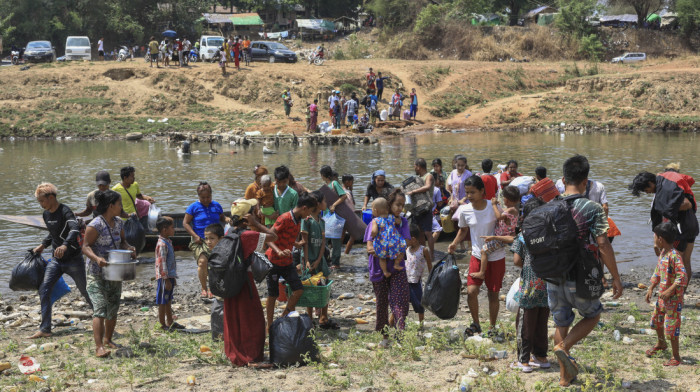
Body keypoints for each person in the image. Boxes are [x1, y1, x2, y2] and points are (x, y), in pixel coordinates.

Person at [548, 155, 623, 387]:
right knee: (592, 314)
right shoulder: (592, 208)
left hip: (552, 274)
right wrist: (616, 278)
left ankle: (564, 378)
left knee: (561, 323)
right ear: (586, 181)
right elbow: (603, 244)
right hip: (579, 275)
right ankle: (564, 347)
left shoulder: (550, 206)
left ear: (563, 179)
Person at [29, 183, 93, 339]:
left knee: (85, 290)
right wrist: (43, 245)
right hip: (56, 261)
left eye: (42, 201)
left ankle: (102, 317)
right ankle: (45, 329)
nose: (41, 204)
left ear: (51, 198)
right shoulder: (46, 215)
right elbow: (53, 234)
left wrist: (65, 245)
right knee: (44, 289)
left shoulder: (65, 211)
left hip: (73, 259)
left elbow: (74, 229)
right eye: (39, 202)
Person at [448, 175, 505, 338]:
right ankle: (476, 323)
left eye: (473, 192)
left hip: (496, 256)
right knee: (471, 292)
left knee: (493, 294)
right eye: (467, 193)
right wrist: (454, 243)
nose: (470, 196)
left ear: (482, 191)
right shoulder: (465, 210)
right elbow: (463, 230)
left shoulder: (493, 207)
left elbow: (504, 225)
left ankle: (492, 327)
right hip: (476, 256)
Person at [223, 199, 278, 367]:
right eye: (255, 211)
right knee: (252, 319)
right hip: (244, 282)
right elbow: (274, 236)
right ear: (247, 217)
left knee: (234, 318)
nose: (258, 212)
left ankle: (236, 353)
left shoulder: (229, 232)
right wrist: (257, 224)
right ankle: (251, 356)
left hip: (230, 281)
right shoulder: (248, 235)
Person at [82, 190, 136, 358]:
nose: (121, 207)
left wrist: (129, 248)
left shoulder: (119, 223)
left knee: (113, 307)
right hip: (96, 272)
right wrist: (97, 258)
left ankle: (108, 339)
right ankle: (98, 347)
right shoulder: (96, 224)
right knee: (99, 308)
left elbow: (123, 242)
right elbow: (84, 246)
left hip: (114, 272)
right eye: (120, 204)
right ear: (111, 206)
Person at [629, 170, 697, 279]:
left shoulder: (667, 189)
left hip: (681, 228)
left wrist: (667, 209)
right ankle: (681, 293)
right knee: (685, 261)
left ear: (651, 183)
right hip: (691, 224)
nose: (646, 192)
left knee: (674, 262)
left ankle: (673, 292)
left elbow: (687, 204)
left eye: (645, 190)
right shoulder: (663, 183)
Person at [265, 192, 317, 332]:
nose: (309, 215)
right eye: (310, 212)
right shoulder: (284, 218)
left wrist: (295, 243)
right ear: (304, 208)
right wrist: (279, 251)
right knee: (273, 295)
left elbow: (283, 236)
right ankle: (269, 326)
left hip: (287, 261)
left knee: (298, 290)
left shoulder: (298, 220)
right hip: (273, 261)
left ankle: (282, 317)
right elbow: (269, 237)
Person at [364, 189, 411, 344]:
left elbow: (407, 242)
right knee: (382, 303)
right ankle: (384, 336)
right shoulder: (374, 222)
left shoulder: (402, 222)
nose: (400, 209)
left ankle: (400, 334)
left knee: (400, 301)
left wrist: (390, 249)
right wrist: (378, 249)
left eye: (402, 206)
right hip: (379, 268)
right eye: (397, 204)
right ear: (388, 204)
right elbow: (369, 245)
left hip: (397, 267)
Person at [509, 197, 550, 373]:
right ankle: (541, 356)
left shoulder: (523, 235)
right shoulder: (550, 234)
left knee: (525, 322)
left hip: (530, 285)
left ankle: (523, 360)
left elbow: (517, 260)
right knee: (542, 321)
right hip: (547, 285)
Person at [644, 221, 688, 367]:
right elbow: (658, 272)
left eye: (655, 236)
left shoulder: (675, 256)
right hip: (662, 297)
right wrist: (651, 287)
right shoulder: (663, 253)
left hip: (673, 299)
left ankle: (676, 356)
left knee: (671, 326)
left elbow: (682, 276)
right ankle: (661, 344)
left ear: (661, 239)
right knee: (657, 321)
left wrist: (670, 290)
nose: (654, 239)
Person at [183, 182, 228, 299]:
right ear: (198, 196)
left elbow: (222, 218)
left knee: (215, 264)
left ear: (211, 195)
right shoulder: (193, 207)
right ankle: (204, 287)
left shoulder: (216, 206)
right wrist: (194, 236)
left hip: (216, 239)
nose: (206, 199)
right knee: (202, 262)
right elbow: (185, 223)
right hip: (199, 240)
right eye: (203, 197)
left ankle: (213, 287)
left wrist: (227, 219)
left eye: (208, 197)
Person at [300, 191, 337, 329]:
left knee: (324, 284)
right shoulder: (307, 220)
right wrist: (308, 260)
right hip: (308, 258)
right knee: (309, 286)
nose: (326, 204)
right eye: (324, 201)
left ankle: (323, 316)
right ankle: (309, 317)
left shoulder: (321, 221)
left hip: (320, 259)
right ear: (317, 203)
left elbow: (323, 243)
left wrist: (320, 258)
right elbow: (305, 243)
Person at [155, 216, 184, 330]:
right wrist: (166, 279)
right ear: (164, 229)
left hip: (169, 276)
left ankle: (170, 321)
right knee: (163, 301)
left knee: (168, 299)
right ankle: (162, 324)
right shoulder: (162, 244)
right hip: (164, 277)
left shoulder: (168, 241)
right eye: (172, 227)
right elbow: (162, 263)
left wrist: (172, 277)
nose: (174, 229)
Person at [368, 198, 406, 278]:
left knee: (382, 258)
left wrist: (373, 234)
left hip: (382, 243)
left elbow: (374, 231)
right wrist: (399, 219)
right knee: (402, 249)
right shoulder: (391, 217)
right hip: (394, 242)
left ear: (375, 210)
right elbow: (399, 222)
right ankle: (396, 264)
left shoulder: (375, 220)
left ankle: (385, 272)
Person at [406, 158, 435, 257]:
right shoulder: (417, 177)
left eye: (415, 166)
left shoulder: (429, 176)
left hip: (426, 207)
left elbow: (427, 187)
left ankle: (432, 254)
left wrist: (413, 191)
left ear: (418, 166)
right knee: (420, 232)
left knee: (428, 233)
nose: (414, 168)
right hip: (417, 208)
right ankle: (424, 253)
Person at [480, 186, 519, 259]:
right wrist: (499, 206)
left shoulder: (510, 210)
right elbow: (504, 211)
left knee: (483, 251)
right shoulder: (514, 209)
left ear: (506, 200)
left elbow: (499, 217)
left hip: (501, 239)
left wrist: (494, 205)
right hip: (505, 236)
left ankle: (481, 270)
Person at [320, 165, 347, 269]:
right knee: (325, 239)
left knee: (335, 240)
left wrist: (334, 205)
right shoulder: (326, 186)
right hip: (327, 216)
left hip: (336, 216)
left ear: (323, 175)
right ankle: (325, 260)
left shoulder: (334, 183)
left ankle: (336, 263)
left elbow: (344, 196)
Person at [405, 224, 432, 325]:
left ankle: (421, 324)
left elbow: (429, 265)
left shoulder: (423, 250)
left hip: (416, 282)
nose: (405, 241)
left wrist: (431, 279)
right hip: (405, 281)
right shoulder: (406, 250)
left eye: (406, 239)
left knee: (419, 304)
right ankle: (394, 323)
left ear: (413, 239)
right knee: (403, 303)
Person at [342, 174, 356, 254]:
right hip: (349, 215)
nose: (352, 183)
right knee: (353, 235)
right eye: (352, 182)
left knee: (342, 234)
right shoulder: (347, 192)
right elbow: (353, 203)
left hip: (342, 215)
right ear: (347, 182)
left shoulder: (340, 190)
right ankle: (346, 252)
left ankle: (337, 250)